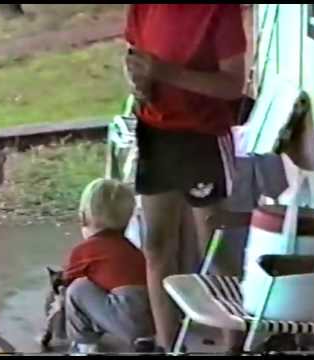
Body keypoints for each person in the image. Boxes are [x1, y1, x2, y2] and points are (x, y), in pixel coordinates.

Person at [124, 4, 247, 351]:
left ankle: (232, 345)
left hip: (202, 135)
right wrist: (139, 82)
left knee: (213, 244)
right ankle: (168, 344)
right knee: (157, 245)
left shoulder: (218, 11)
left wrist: (165, 73)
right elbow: (133, 56)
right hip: (155, 132)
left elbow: (233, 84)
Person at [61, 178, 154, 354]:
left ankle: (85, 345)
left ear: (83, 217)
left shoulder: (84, 250)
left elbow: (66, 281)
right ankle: (144, 339)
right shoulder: (132, 248)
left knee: (76, 289)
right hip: (150, 319)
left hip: (124, 316)